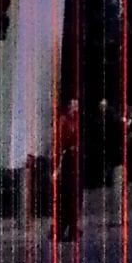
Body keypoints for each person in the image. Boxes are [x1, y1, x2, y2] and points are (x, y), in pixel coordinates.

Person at [54, 99, 81, 244]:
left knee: (74, 198)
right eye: (73, 104)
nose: (76, 107)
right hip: (66, 161)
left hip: (75, 161)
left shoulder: (76, 120)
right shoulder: (64, 120)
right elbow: (60, 141)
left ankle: (72, 229)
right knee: (67, 197)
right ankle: (61, 230)